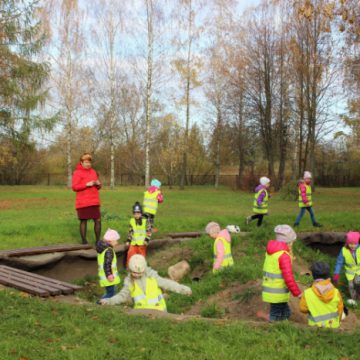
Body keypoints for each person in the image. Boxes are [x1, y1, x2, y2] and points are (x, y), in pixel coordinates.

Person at [99, 255, 192, 311]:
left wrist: (182, 289)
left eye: (140, 272)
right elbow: (122, 296)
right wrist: (109, 301)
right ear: (130, 270)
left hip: (159, 311)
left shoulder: (152, 276)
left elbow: (167, 284)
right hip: (141, 314)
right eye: (134, 272)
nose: (137, 275)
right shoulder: (129, 282)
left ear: (144, 269)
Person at [261, 225, 302, 321]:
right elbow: (289, 278)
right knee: (275, 315)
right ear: (289, 242)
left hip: (271, 290)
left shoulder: (271, 252)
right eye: (292, 242)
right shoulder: (283, 256)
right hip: (277, 292)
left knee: (286, 313)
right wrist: (297, 293)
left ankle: (280, 327)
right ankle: (270, 328)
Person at [300, 262, 344, 328]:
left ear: (313, 275)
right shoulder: (336, 292)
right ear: (328, 275)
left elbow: (303, 309)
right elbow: (340, 310)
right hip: (333, 328)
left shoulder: (307, 292)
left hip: (314, 328)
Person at [72, 153, 102, 244]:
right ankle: (84, 242)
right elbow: (74, 187)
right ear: (81, 163)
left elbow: (99, 187)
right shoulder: (77, 173)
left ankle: (98, 241)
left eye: (89, 162)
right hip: (83, 201)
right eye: (86, 162)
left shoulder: (93, 171)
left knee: (98, 220)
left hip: (94, 200)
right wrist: (86, 184)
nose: (88, 164)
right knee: (83, 221)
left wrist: (98, 184)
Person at [333, 231, 360, 305]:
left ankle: (358, 296)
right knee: (351, 286)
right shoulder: (343, 250)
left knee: (358, 283)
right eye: (351, 244)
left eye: (355, 244)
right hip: (350, 272)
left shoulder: (359, 249)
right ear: (347, 243)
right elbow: (339, 262)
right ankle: (354, 299)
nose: (353, 246)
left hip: (359, 271)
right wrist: (336, 273)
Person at [96, 229, 121, 303]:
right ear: (110, 241)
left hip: (104, 276)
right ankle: (98, 304)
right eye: (116, 240)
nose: (117, 242)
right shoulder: (109, 250)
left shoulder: (102, 249)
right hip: (109, 277)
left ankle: (106, 304)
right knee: (110, 293)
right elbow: (107, 264)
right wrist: (109, 275)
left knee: (110, 292)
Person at [125, 202, 152, 266]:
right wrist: (128, 240)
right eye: (135, 213)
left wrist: (146, 240)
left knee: (141, 257)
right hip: (133, 243)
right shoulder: (132, 221)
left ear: (141, 213)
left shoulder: (145, 221)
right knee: (130, 254)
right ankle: (129, 268)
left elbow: (149, 231)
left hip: (142, 243)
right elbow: (130, 232)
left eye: (138, 213)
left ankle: (141, 268)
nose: (136, 215)